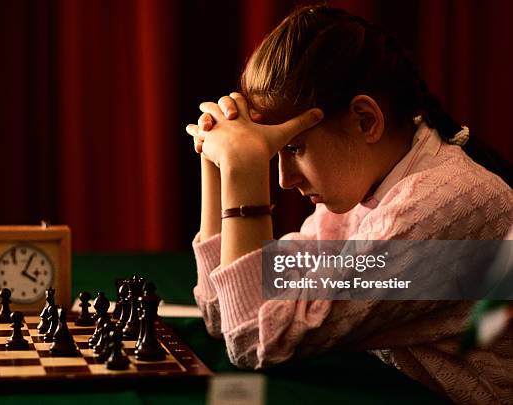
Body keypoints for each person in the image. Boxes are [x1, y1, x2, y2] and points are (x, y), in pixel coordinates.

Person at [185, 5, 513, 404]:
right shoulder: (372, 186)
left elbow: (253, 340)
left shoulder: (438, 205)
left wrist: (243, 169)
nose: (284, 180)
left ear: (364, 120)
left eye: (293, 148)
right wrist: (214, 162)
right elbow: (226, 314)